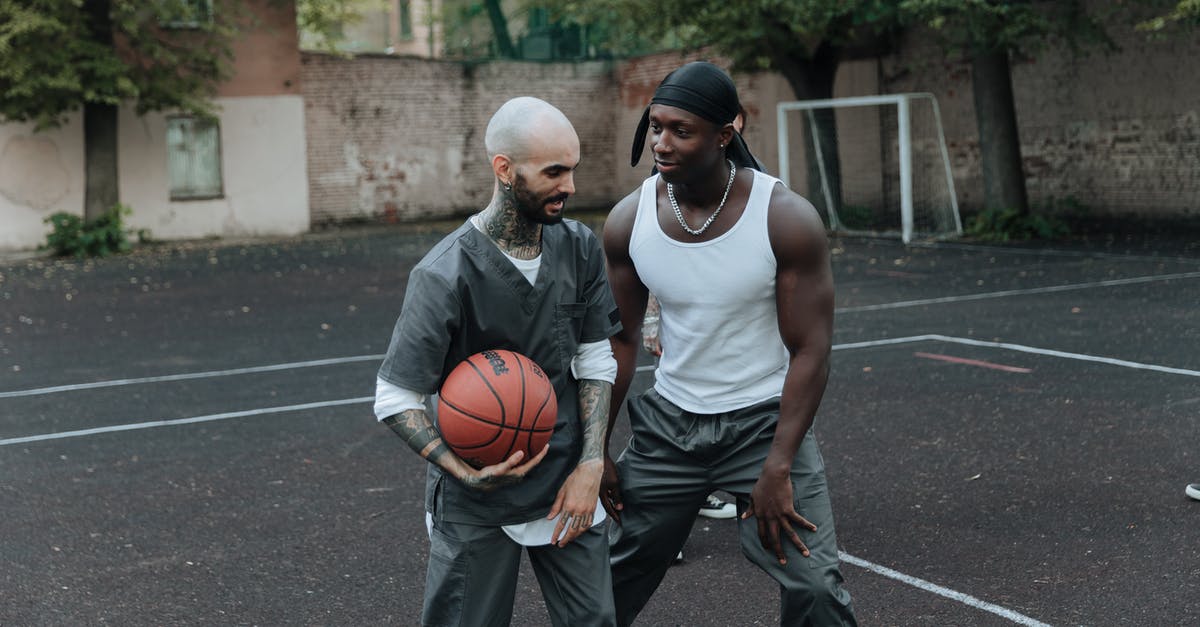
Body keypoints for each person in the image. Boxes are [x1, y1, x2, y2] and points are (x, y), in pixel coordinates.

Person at [601, 62, 858, 625]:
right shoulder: (628, 221)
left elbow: (811, 349)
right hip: (670, 428)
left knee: (816, 588)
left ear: (725, 134)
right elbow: (618, 343)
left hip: (763, 425)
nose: (661, 144)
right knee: (603, 583)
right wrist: (594, 447)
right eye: (655, 127)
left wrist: (779, 465)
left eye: (680, 131)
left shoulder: (784, 218)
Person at [374, 96, 621, 627]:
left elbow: (596, 359)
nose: (570, 186)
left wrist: (591, 463)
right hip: (476, 496)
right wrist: (462, 470)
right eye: (553, 172)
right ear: (504, 170)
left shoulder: (579, 248)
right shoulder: (444, 274)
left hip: (565, 481)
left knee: (595, 620)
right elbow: (394, 398)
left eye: (572, 169)